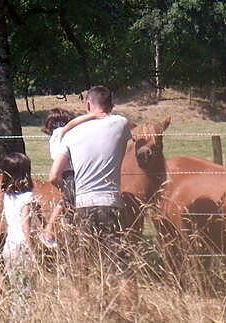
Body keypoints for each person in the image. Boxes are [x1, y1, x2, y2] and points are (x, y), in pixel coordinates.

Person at [48, 85, 135, 313]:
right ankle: (125, 313)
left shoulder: (71, 134)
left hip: (82, 204)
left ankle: (82, 312)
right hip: (110, 203)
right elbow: (137, 132)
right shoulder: (120, 123)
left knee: (80, 263)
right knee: (119, 264)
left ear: (88, 105)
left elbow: (54, 176)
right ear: (112, 105)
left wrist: (70, 194)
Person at [40, 108, 106, 248]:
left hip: (67, 173)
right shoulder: (61, 133)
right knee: (66, 202)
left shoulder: (56, 136)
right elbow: (73, 125)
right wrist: (92, 116)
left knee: (69, 203)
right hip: (70, 173)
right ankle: (48, 231)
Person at [0, 152, 38, 319]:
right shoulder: (27, 198)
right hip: (22, 247)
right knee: (27, 291)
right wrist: (34, 252)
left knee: (16, 290)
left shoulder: (8, 196)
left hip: (9, 246)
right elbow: (25, 226)